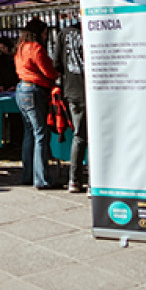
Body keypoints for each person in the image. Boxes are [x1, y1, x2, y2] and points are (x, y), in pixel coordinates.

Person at [14, 17, 59, 190]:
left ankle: (28, 174)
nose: (46, 36)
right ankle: (41, 178)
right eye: (45, 33)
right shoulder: (36, 48)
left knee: (29, 133)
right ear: (39, 33)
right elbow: (48, 71)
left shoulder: (21, 48)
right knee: (41, 134)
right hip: (35, 89)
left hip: (21, 89)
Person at [53, 15, 87, 193]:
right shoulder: (94, 29)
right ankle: (97, 181)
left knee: (79, 136)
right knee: (98, 136)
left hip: (72, 91)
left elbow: (56, 64)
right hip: (93, 89)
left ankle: (74, 179)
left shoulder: (63, 34)